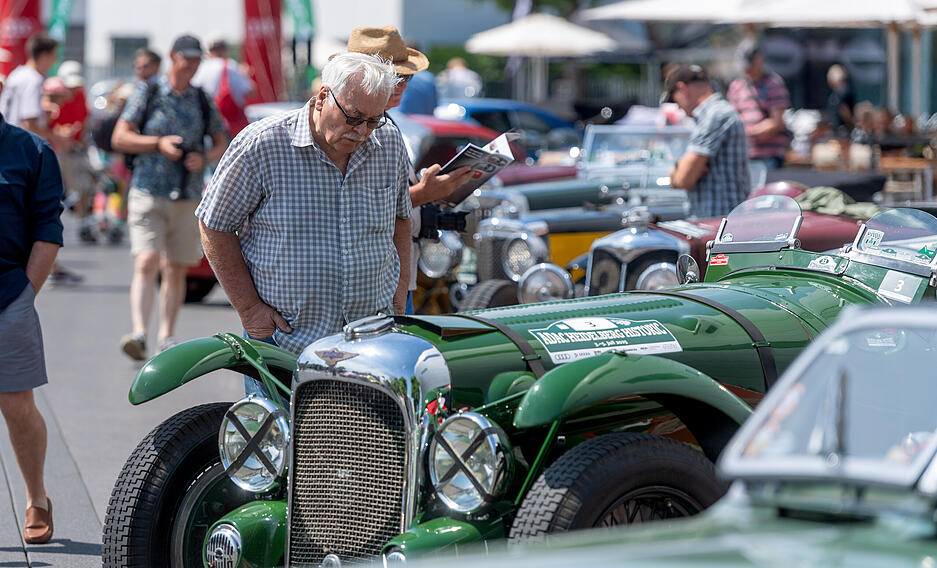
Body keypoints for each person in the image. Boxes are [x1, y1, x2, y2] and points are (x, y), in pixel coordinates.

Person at [196, 52, 412, 390]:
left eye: (375, 120)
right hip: (285, 347)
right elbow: (214, 224)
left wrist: (399, 298)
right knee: (281, 440)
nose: (363, 132)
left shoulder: (389, 142)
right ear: (323, 96)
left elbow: (401, 219)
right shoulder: (262, 144)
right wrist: (250, 309)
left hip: (371, 347)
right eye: (354, 118)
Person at [112, 34, 228, 360]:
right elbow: (121, 137)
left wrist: (203, 157)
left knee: (176, 267)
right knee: (147, 260)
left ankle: (166, 335)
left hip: (187, 193)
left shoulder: (202, 99)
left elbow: (221, 142)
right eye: (187, 58)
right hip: (149, 188)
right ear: (173, 56)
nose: (192, 65)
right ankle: (138, 332)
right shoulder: (149, 92)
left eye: (197, 59)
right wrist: (157, 144)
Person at [345, 26, 473, 314]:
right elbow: (356, 209)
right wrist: (424, 193)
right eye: (397, 77)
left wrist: (427, 193)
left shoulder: (385, 127)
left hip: (393, 279)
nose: (404, 85)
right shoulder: (354, 130)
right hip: (374, 284)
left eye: (409, 77)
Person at [0, 74, 64, 545]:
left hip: (8, 294)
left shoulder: (32, 150)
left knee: (16, 405)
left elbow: (48, 228)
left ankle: (36, 497)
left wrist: (26, 291)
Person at [0, 33, 82, 285]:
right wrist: (57, 138)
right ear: (45, 55)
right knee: (41, 214)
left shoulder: (17, 74)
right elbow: (30, 123)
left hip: (8, 149)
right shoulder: (33, 80)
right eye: (54, 56)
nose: (53, 62)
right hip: (23, 154)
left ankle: (49, 268)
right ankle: (41, 271)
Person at [662, 64, 750, 218]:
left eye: (674, 100)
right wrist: (682, 167)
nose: (678, 107)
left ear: (682, 88)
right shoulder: (712, 114)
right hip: (717, 223)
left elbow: (684, 179)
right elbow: (684, 174)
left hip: (719, 225)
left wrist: (679, 169)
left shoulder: (715, 115)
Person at [726, 43, 791, 170]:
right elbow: (731, 117)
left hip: (769, 155)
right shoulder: (737, 85)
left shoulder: (773, 83)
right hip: (743, 154)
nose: (747, 69)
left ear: (759, 59)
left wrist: (747, 133)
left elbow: (777, 122)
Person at [191, 34, 254, 137]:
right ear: (224, 48)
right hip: (228, 128)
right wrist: (245, 75)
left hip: (205, 126)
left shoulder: (200, 68)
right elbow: (251, 91)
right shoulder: (231, 66)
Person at [397, 40, 437, 115]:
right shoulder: (429, 78)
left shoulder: (398, 74)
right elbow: (433, 106)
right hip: (423, 122)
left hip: (400, 119)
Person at [826, 64, 854, 137]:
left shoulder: (844, 92)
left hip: (843, 130)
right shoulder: (835, 92)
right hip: (835, 129)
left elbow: (845, 112)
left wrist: (850, 124)